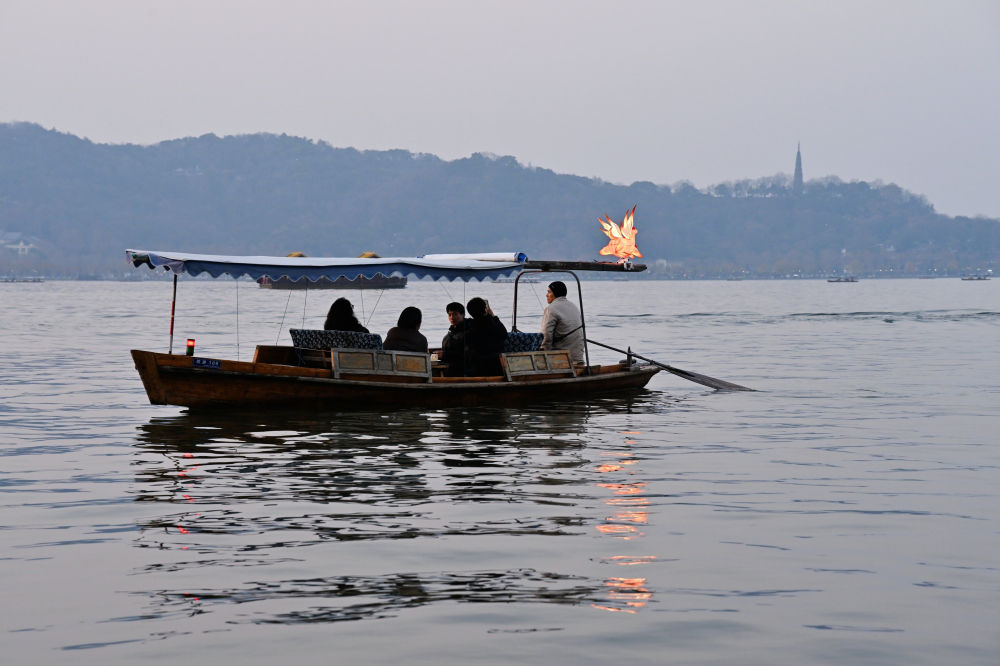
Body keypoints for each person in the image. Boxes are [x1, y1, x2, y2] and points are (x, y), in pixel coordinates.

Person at [541, 281, 584, 363]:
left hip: (563, 357)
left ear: (555, 293)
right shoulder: (573, 306)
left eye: (549, 292)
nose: (546, 295)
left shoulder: (551, 308)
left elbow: (546, 336)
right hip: (578, 356)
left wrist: (542, 353)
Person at [464, 297, 508, 376]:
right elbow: (504, 335)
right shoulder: (492, 323)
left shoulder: (469, 326)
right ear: (485, 309)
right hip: (495, 366)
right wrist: (493, 316)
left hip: (475, 367)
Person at [440, 301, 469, 376]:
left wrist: (444, 355)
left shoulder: (469, 332)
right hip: (449, 368)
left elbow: (467, 354)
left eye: (455, 314)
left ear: (463, 315)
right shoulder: (448, 335)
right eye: (449, 315)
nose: (452, 317)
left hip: (462, 372)